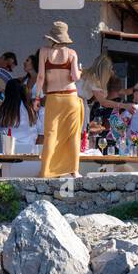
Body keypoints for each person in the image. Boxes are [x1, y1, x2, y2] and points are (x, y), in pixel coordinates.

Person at [36, 21, 83, 178]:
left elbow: (41, 77)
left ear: (52, 38)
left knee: (50, 134)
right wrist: (80, 72)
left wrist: (37, 98)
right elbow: (75, 77)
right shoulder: (72, 53)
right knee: (72, 135)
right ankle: (74, 171)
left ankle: (46, 171)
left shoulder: (44, 52)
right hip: (71, 97)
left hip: (53, 97)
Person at [0, 78, 37, 154]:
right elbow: (34, 130)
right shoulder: (29, 108)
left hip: (9, 150)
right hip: (29, 149)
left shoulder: (4, 108)